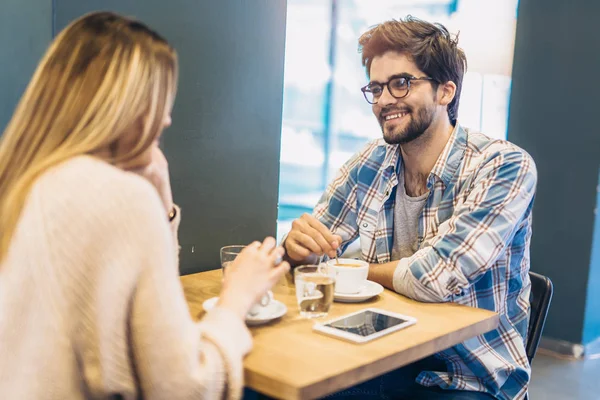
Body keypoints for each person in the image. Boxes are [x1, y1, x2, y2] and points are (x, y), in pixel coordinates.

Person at [0, 11, 289, 400]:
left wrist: (162, 204)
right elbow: (184, 387)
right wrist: (235, 299)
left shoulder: (24, 183)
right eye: (159, 100)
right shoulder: (118, 198)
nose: (167, 119)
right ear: (127, 107)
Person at [283, 16, 536, 400]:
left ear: (445, 91)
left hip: (468, 375)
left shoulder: (504, 166)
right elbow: (314, 248)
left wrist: (346, 269)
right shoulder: (370, 162)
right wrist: (297, 247)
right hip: (376, 356)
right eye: (376, 88)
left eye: (401, 84)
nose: (384, 100)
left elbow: (434, 277)